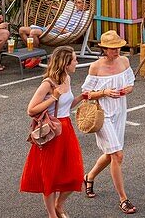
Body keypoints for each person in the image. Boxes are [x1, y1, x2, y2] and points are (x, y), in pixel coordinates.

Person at [20, 45, 86, 218]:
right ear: (65, 63)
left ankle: (59, 204)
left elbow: (65, 106)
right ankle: (52, 215)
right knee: (50, 175)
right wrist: (54, 96)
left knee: (75, 174)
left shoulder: (67, 79)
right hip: (52, 132)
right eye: (74, 59)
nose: (77, 62)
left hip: (66, 130)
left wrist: (82, 98)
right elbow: (31, 110)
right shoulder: (48, 84)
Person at [82, 30, 137, 214]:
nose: (117, 51)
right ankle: (123, 198)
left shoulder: (124, 61)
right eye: (113, 48)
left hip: (120, 111)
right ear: (104, 49)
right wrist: (104, 92)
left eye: (118, 47)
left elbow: (130, 82)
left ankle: (89, 177)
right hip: (103, 114)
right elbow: (86, 94)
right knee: (117, 155)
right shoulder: (95, 67)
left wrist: (127, 89)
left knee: (110, 154)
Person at [20, 0, 91, 44]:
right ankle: (32, 50)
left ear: (86, 5)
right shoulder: (73, 12)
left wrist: (54, 27)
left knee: (33, 32)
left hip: (56, 33)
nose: (75, 4)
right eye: (76, 2)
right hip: (50, 29)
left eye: (78, 2)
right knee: (22, 30)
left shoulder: (82, 17)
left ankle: (35, 56)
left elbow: (70, 32)